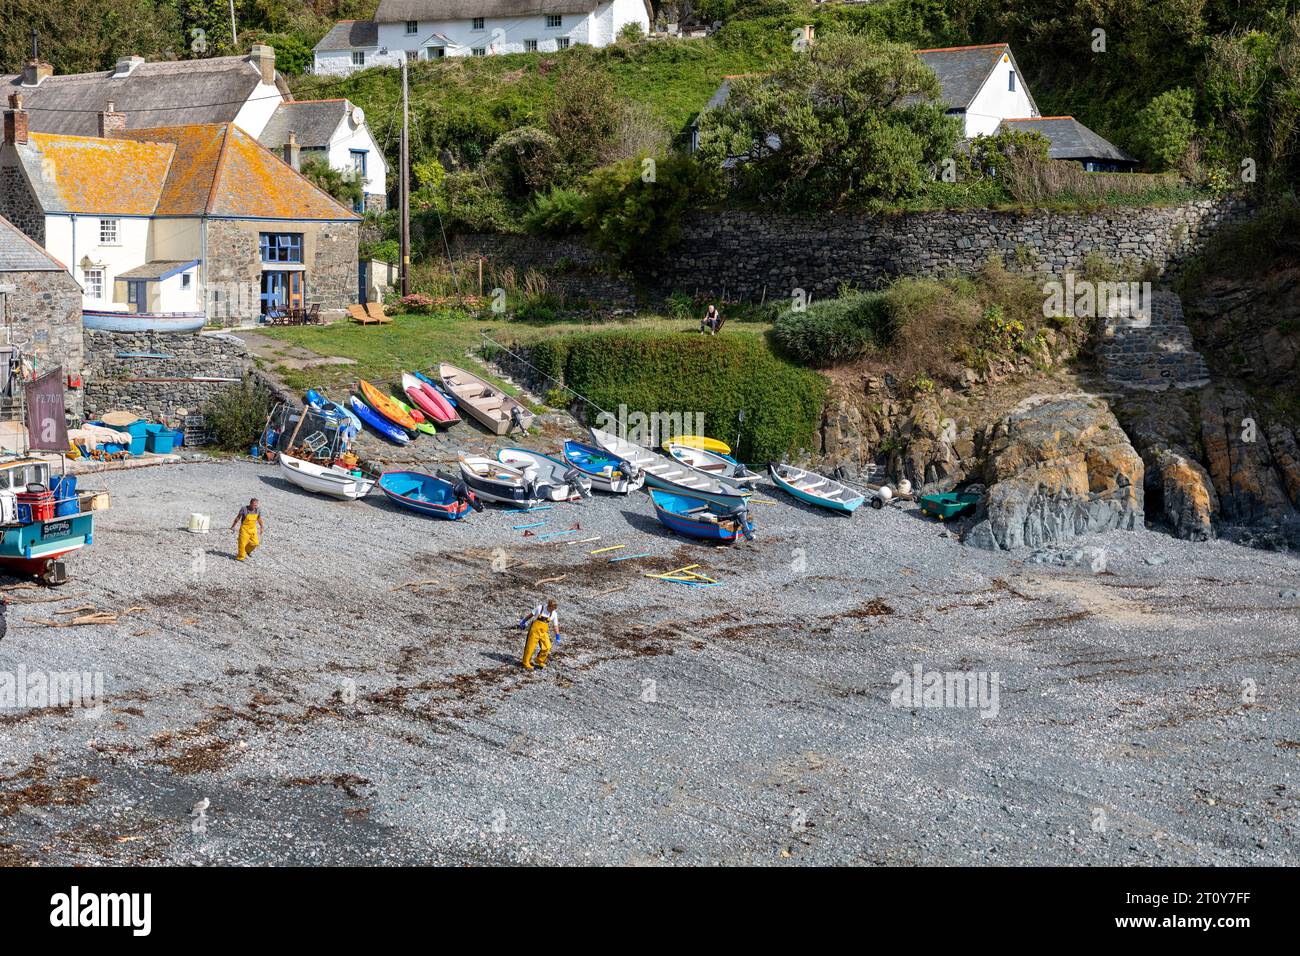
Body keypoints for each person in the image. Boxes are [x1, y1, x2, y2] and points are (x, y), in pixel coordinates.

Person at [518, 599, 560, 671]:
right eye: (552, 609)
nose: (552, 611)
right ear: (549, 606)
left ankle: (539, 660)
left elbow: (555, 626)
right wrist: (523, 621)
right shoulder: (540, 608)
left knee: (547, 646)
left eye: (554, 609)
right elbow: (530, 615)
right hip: (534, 630)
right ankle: (525, 663)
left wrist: (557, 636)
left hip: (543, 632)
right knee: (530, 647)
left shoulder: (554, 614)